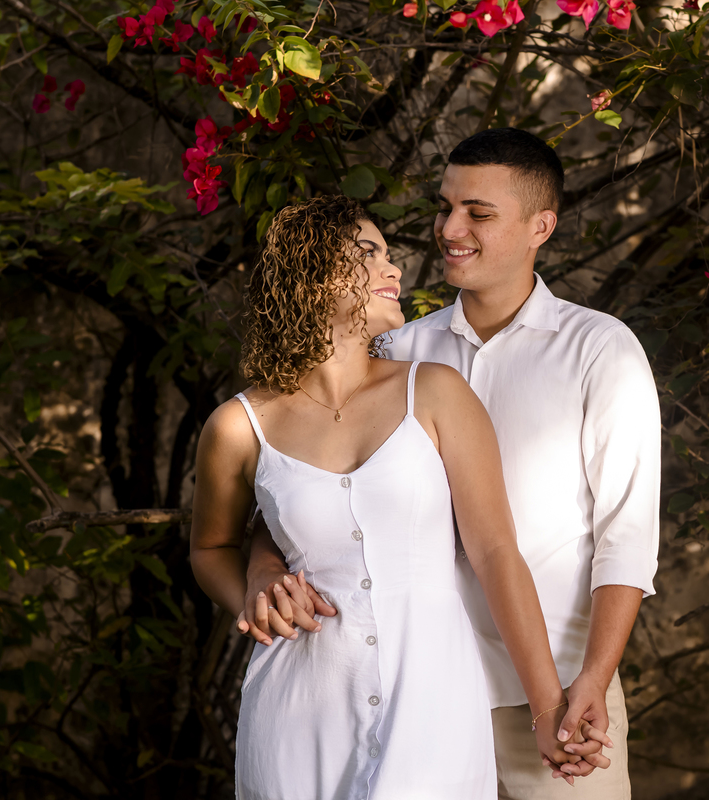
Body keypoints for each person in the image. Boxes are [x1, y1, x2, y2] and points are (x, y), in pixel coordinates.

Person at [245, 128, 662, 798]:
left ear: (540, 226)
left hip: (553, 692)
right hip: (414, 696)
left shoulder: (599, 350)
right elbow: (306, 490)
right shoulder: (398, 349)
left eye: (479, 213)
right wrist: (263, 571)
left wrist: (589, 679)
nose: (450, 228)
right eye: (445, 207)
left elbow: (626, 540)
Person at [189, 195, 595, 800]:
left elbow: (494, 553)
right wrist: (251, 587)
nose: (394, 269)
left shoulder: (433, 391)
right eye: (369, 253)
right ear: (315, 275)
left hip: (433, 704)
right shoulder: (237, 425)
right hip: (298, 708)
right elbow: (211, 547)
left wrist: (546, 708)